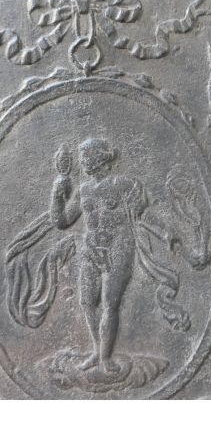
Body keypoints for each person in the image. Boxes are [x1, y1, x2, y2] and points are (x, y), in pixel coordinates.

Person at [50, 137, 148, 376]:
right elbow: (62, 221)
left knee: (110, 303)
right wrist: (56, 194)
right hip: (91, 248)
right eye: (81, 157)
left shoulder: (124, 184)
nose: (82, 161)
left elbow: (141, 216)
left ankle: (105, 357)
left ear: (100, 157)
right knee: (87, 302)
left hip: (118, 247)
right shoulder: (84, 190)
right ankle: (96, 351)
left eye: (86, 156)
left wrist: (166, 232)